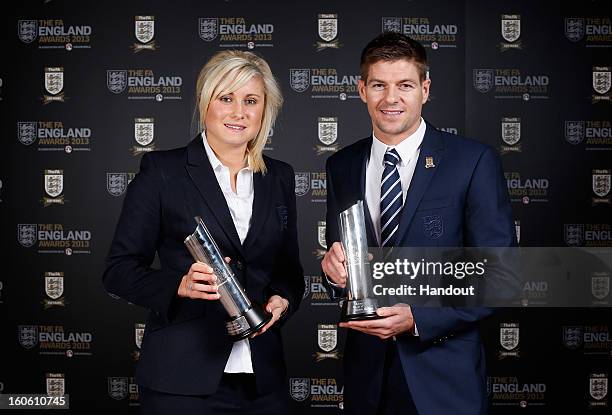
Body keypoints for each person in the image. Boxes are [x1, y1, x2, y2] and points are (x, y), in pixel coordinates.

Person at [321, 32, 516, 415]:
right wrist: (332, 274)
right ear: (362, 90)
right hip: (367, 382)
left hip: (442, 380)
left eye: (405, 85)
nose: (391, 99)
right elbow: (344, 260)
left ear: (425, 90)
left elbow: (501, 278)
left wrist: (418, 319)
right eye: (379, 85)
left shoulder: (472, 161)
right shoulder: (341, 165)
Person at [103, 50, 304, 414]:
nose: (238, 112)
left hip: (264, 381)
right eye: (226, 98)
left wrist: (282, 301)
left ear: (265, 110)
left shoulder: (279, 177)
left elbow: (289, 272)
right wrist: (178, 285)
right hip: (181, 383)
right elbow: (118, 271)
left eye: (251, 100)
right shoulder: (163, 171)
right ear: (204, 102)